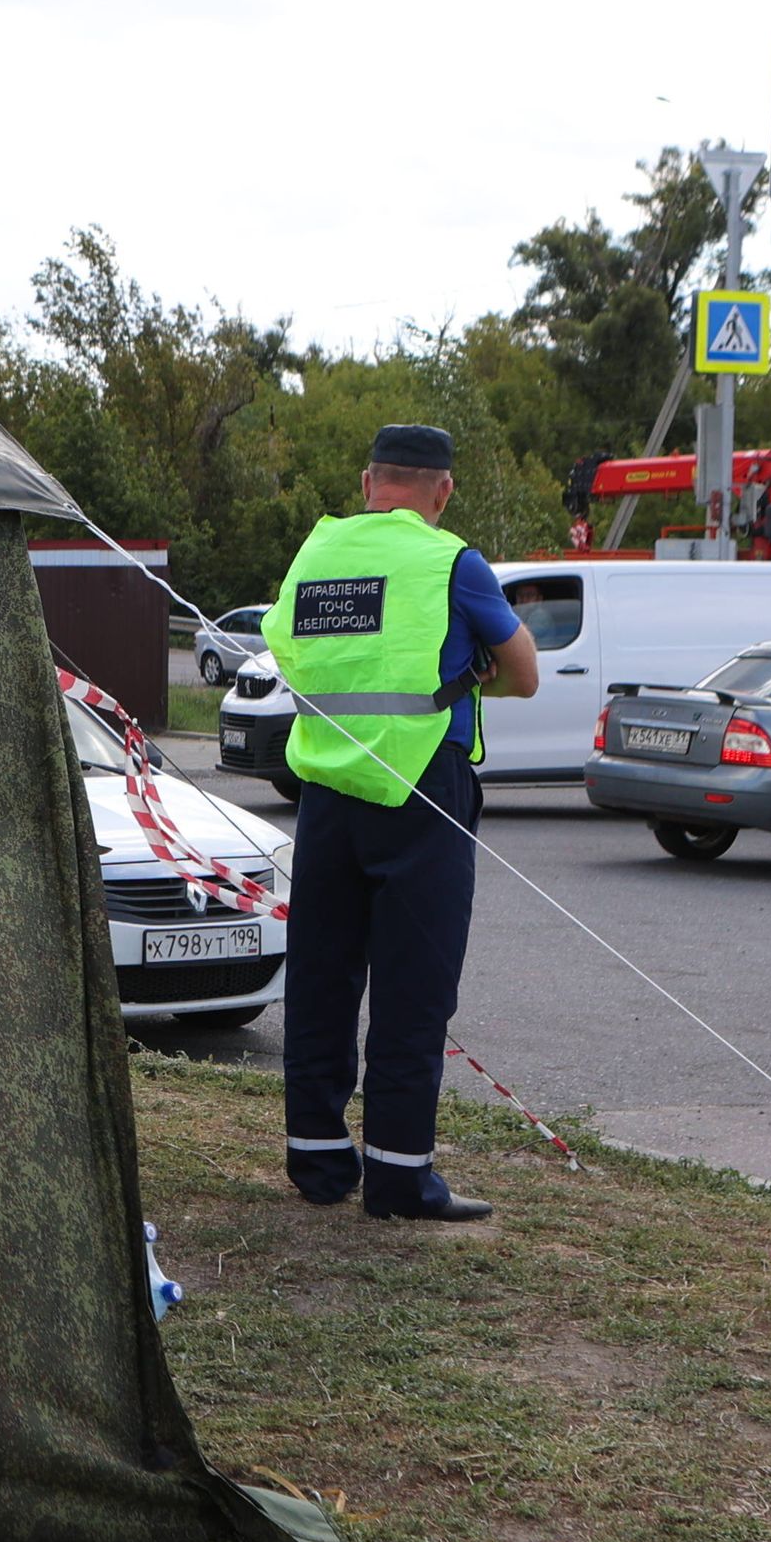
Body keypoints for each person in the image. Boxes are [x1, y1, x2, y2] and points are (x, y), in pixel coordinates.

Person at [268, 424, 537, 1221]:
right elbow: (523, 672)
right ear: (442, 491)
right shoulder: (451, 561)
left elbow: (285, 649)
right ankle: (398, 1177)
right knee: (413, 990)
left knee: (320, 976)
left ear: (367, 482)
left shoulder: (315, 554)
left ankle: (317, 1160)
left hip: (324, 788)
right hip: (422, 786)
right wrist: (470, 670)